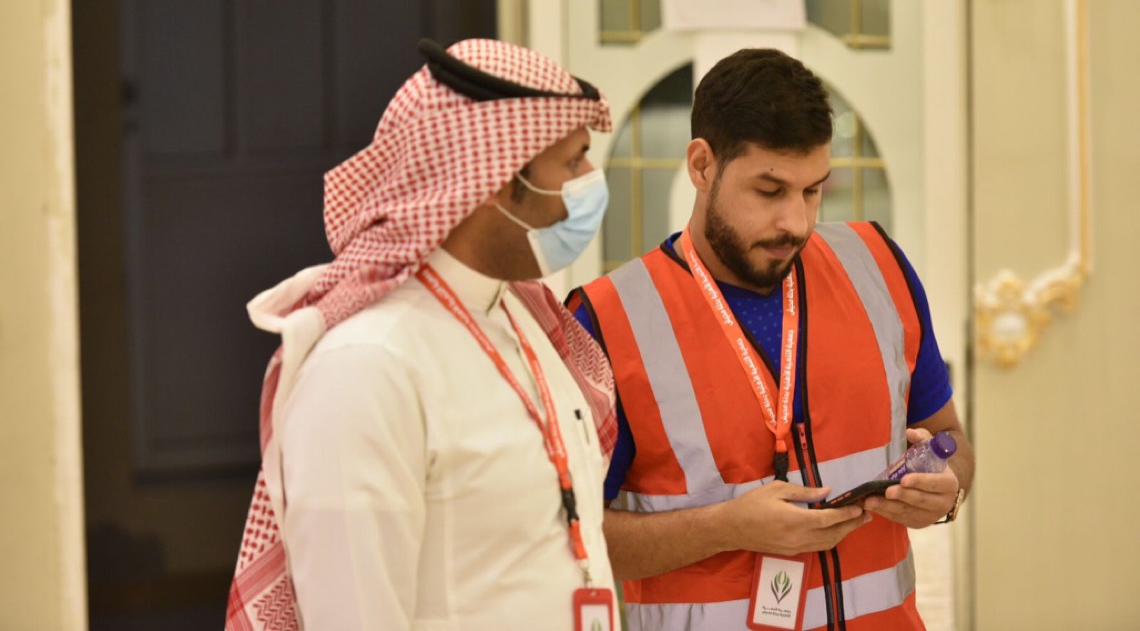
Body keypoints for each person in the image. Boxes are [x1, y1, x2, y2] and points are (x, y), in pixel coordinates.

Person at [567, 48, 975, 631]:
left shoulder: (878, 267)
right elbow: (570, 540)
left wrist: (947, 489)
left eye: (812, 191)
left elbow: (951, 441)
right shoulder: (607, 320)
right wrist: (726, 527)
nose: (796, 223)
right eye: (769, 190)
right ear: (702, 166)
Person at [226, 38, 621, 630]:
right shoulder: (365, 368)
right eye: (572, 163)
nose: (591, 182)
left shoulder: (524, 320)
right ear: (495, 179)